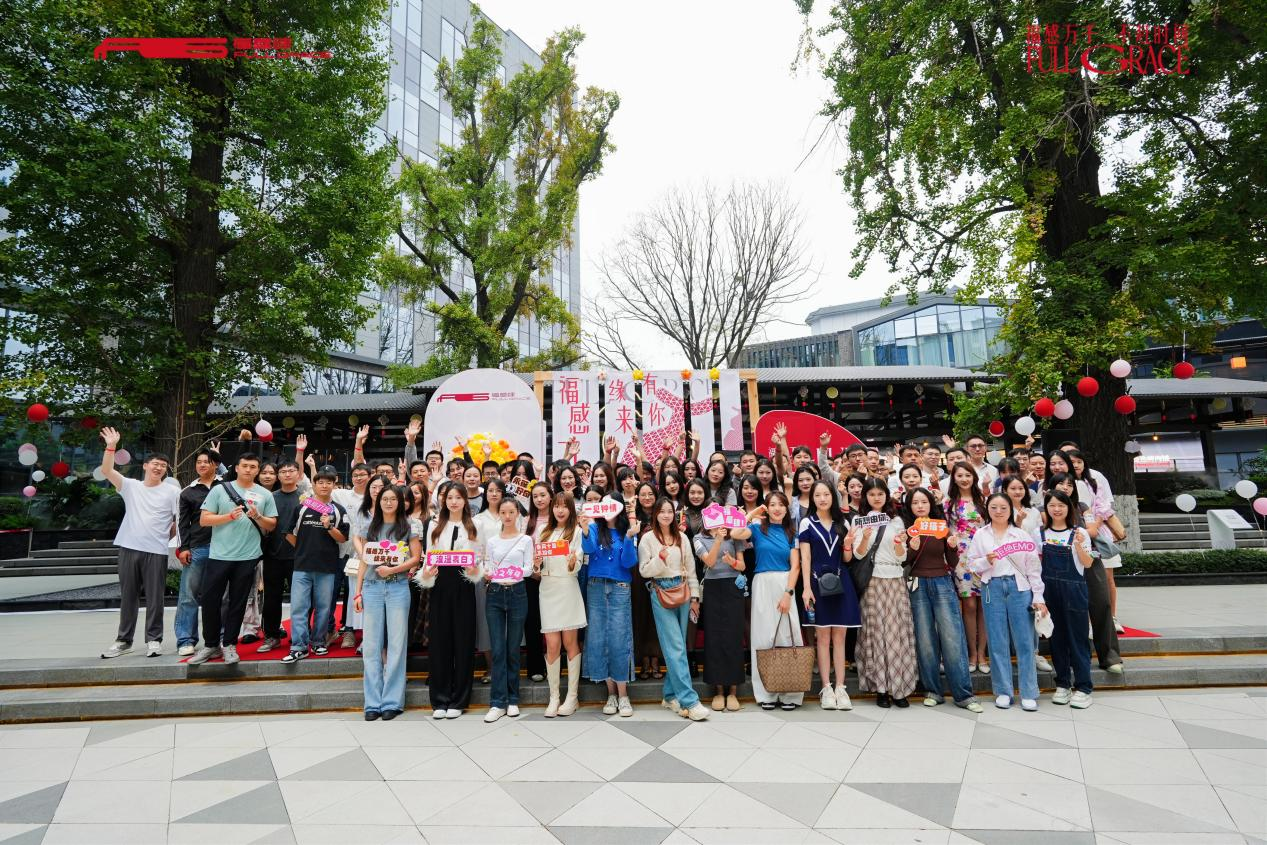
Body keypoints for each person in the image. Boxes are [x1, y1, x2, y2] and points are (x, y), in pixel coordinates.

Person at [98, 428, 180, 659]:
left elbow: (178, 521)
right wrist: (111, 446)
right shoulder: (131, 486)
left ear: (166, 470)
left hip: (156, 551)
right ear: (145, 466)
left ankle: (154, 639)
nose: (158, 468)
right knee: (128, 596)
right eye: (155, 464)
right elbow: (106, 470)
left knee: (155, 598)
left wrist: (166, 537)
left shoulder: (172, 492)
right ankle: (124, 640)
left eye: (163, 466)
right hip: (128, 548)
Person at [190, 452, 278, 665]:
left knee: (238, 602)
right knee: (210, 600)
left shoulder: (265, 495)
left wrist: (258, 517)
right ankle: (211, 645)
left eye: (253, 467)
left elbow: (272, 525)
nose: (248, 470)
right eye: (245, 466)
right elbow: (204, 519)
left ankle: (229, 644)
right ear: (237, 468)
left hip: (248, 557)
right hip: (219, 555)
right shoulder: (220, 490)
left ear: (257, 470)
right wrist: (228, 516)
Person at [901, 488, 982, 712]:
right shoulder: (908, 530)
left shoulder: (941, 527)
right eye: (915, 502)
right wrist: (911, 548)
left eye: (924, 502)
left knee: (952, 636)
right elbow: (903, 561)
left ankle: (963, 694)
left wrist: (953, 547)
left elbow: (953, 562)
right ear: (909, 506)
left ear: (931, 504)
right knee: (925, 638)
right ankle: (932, 691)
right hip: (917, 584)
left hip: (942, 582)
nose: (920, 506)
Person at [966, 494, 1045, 711]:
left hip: (1019, 587)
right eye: (994, 507)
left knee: (1025, 641)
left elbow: (1033, 568)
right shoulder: (981, 534)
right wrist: (986, 561)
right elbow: (972, 564)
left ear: (1011, 509)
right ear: (987, 509)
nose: (998, 511)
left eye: (1003, 507)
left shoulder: (1021, 534)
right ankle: (1003, 691)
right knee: (997, 640)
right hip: (992, 587)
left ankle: (1029, 692)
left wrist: (1038, 596)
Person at [353, 485, 420, 720]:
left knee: (397, 644)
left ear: (400, 502)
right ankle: (372, 703)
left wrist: (392, 569)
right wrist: (358, 592)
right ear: (378, 501)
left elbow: (416, 558)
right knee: (371, 645)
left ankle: (392, 701)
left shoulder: (408, 526)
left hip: (397, 587)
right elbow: (364, 561)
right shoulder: (369, 526)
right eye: (385, 499)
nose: (389, 502)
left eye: (393, 499)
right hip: (371, 588)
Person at [416, 483, 482, 718]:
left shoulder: (475, 525)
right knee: (439, 642)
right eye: (450, 497)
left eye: (458, 497)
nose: (454, 502)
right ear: (444, 501)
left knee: (463, 642)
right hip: (440, 585)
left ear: (465, 501)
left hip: (464, 585)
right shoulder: (434, 525)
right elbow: (428, 557)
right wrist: (426, 574)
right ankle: (440, 699)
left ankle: (459, 700)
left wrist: (474, 570)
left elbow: (479, 558)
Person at [639, 497, 708, 721]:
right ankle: (690, 701)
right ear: (655, 514)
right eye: (662, 511)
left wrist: (695, 597)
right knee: (675, 646)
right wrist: (660, 560)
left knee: (678, 647)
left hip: (683, 590)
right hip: (660, 591)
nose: (666, 515)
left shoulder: (682, 538)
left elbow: (691, 569)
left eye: (670, 511)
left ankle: (670, 695)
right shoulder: (647, 539)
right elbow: (644, 571)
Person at [852, 479, 916, 708]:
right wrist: (865, 537)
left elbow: (902, 556)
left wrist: (900, 543)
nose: (876, 498)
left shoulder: (896, 520)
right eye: (872, 494)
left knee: (897, 633)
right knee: (876, 633)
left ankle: (899, 687)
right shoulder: (859, 521)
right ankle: (880, 688)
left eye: (880, 494)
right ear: (865, 497)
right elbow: (858, 555)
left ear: (886, 496)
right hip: (873, 580)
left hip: (895, 579)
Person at [800, 480, 861, 710]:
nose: (822, 498)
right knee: (823, 637)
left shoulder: (842, 522)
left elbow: (847, 559)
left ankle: (841, 688)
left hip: (841, 581)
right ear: (812, 498)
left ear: (833, 496)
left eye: (826, 494)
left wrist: (848, 545)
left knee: (840, 638)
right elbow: (805, 558)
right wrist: (806, 588)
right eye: (818, 495)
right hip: (817, 583)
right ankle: (826, 687)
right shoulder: (807, 522)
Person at [581, 491, 639, 717]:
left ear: (619, 507)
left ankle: (623, 695)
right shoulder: (595, 528)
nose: (606, 508)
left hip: (620, 587)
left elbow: (629, 562)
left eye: (611, 504)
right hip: (595, 585)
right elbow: (589, 549)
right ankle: (610, 693)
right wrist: (585, 529)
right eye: (603, 504)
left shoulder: (627, 530)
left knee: (619, 637)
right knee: (598, 637)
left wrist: (629, 537)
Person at [282, 468, 350, 664]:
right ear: (314, 484)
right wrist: (302, 549)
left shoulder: (339, 510)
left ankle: (318, 641)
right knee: (299, 607)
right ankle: (299, 647)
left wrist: (329, 526)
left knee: (324, 608)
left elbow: (343, 537)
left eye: (329, 482)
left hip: (327, 567)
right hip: (302, 566)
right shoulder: (302, 507)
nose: (324, 486)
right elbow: (288, 533)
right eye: (320, 482)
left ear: (334, 485)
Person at [747, 492, 804, 711]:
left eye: (781, 504)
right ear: (767, 508)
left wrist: (788, 593)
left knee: (788, 635)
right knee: (763, 638)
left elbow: (796, 566)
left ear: (787, 508)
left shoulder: (791, 532)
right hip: (762, 583)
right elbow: (735, 532)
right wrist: (754, 513)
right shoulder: (756, 529)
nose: (777, 508)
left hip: (784, 583)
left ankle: (790, 692)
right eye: (772, 505)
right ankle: (766, 693)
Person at [480, 497, 534, 722]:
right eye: (503, 512)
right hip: (494, 593)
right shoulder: (492, 541)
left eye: (512, 512)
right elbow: (488, 565)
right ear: (499, 515)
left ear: (517, 514)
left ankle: (513, 700)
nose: (508, 516)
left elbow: (529, 568)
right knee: (498, 648)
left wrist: (512, 573)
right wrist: (487, 572)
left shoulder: (526, 540)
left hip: (517, 593)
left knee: (512, 648)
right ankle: (497, 702)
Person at [1040, 490, 1095, 709]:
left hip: (1074, 591)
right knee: (1057, 639)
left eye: (1061, 505)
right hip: (1049, 592)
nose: (1056, 509)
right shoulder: (1040, 533)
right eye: (1052, 505)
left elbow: (1088, 563)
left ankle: (1084, 687)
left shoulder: (1079, 532)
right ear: (1046, 508)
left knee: (1078, 639)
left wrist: (1079, 545)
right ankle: (1063, 684)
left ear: (1068, 508)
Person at [534, 493, 586, 717]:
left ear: (571, 509)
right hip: (547, 589)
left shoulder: (576, 531)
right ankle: (553, 697)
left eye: (565, 506)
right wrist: (536, 564)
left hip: (567, 587)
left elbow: (578, 561)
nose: (560, 510)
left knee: (569, 642)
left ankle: (572, 697)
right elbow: (537, 566)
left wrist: (573, 562)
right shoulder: (543, 531)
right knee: (552, 644)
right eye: (557, 506)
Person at [694, 522, 749, 712]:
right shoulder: (698, 538)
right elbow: (709, 562)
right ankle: (718, 691)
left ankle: (733, 691)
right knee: (714, 637)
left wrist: (732, 562)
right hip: (712, 587)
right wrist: (718, 539)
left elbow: (742, 565)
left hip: (733, 586)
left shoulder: (735, 535)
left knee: (734, 636)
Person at [174, 446, 219, 657]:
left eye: (206, 462)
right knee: (188, 596)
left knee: (222, 596)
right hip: (197, 548)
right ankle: (186, 639)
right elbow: (182, 523)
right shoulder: (187, 492)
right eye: (199, 462)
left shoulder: (226, 486)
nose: (202, 465)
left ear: (215, 465)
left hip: (224, 548)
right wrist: (183, 548)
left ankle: (220, 637)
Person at [946, 461, 989, 673]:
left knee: (985, 606)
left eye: (968, 475)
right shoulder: (949, 504)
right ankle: (972, 653)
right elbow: (945, 530)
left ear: (974, 477)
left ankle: (982, 654)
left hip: (985, 555)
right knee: (969, 605)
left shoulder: (985, 500)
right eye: (960, 475)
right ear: (954, 478)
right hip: (961, 558)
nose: (964, 479)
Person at [258, 460, 303, 654]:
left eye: (291, 471)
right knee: (271, 599)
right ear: (278, 475)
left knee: (301, 599)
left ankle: (300, 635)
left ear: (298, 474)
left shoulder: (306, 497)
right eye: (283, 471)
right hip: (273, 555)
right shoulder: (269, 497)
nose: (287, 474)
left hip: (299, 556)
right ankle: (272, 636)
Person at [331, 463, 372, 649]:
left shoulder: (378, 499)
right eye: (356, 475)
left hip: (366, 555)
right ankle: (342, 630)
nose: (359, 478)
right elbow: (317, 489)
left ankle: (359, 632)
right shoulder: (342, 494)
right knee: (336, 593)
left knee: (356, 593)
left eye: (363, 474)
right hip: (343, 551)